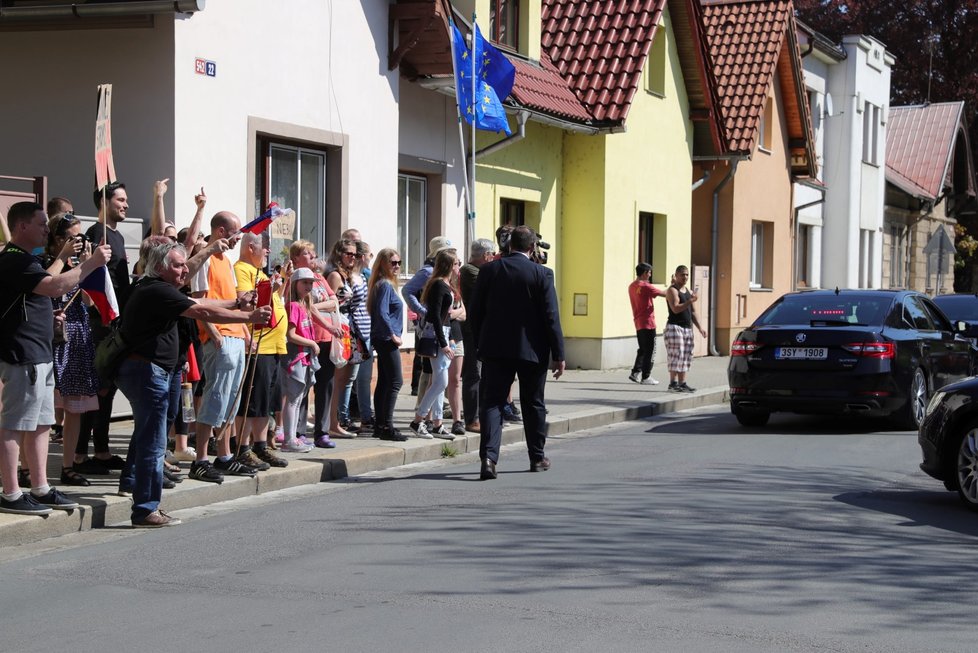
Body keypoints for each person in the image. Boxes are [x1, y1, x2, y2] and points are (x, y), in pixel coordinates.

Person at [114, 240, 270, 527]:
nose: (185, 269)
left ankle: (138, 491)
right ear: (160, 267)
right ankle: (145, 509)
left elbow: (200, 302)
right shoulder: (156, 290)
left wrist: (236, 302)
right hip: (148, 372)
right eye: (178, 264)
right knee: (154, 441)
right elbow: (204, 312)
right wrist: (248, 316)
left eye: (184, 263)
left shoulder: (157, 287)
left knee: (151, 435)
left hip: (154, 371)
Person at [0, 201, 110, 515]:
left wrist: (51, 317)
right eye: (41, 224)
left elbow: (39, 295)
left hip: (39, 352)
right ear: (22, 226)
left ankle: (40, 488)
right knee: (13, 424)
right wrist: (90, 264)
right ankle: (10, 493)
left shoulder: (27, 261)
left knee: (42, 423)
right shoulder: (14, 259)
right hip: (21, 354)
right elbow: (52, 286)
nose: (47, 230)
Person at [469, 225, 565, 480]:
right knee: (534, 403)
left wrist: (480, 343)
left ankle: (489, 459)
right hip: (532, 350)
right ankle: (536, 457)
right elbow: (551, 316)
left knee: (492, 403)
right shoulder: (542, 273)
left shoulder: (489, 270)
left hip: (495, 348)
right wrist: (559, 353)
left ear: (510, 245)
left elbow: (475, 312)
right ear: (532, 247)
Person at [189, 211, 253, 483]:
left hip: (235, 334)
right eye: (235, 232)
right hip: (219, 337)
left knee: (231, 399)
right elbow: (198, 299)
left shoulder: (225, 260)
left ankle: (224, 454)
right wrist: (212, 331)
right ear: (220, 231)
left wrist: (246, 324)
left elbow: (231, 298)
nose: (239, 237)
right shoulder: (205, 257)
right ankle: (200, 459)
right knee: (216, 397)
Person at [76, 181, 131, 476]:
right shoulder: (96, 234)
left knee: (106, 391)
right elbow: (90, 279)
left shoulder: (117, 235)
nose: (125, 204)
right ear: (104, 201)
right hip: (100, 325)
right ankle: (81, 455)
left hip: (115, 323)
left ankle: (102, 450)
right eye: (120, 199)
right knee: (96, 390)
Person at [44, 213, 99, 486]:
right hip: (52, 341)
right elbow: (48, 289)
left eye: (80, 238)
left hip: (76, 338)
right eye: (72, 238)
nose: (77, 243)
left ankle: (68, 466)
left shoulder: (80, 264)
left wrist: (89, 266)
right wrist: (64, 259)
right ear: (57, 238)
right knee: (43, 411)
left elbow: (90, 301)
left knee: (75, 409)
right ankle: (29, 468)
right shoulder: (46, 263)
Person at [232, 231, 289, 468]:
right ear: (250, 248)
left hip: (273, 344)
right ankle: (242, 447)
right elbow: (246, 302)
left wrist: (280, 285)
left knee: (266, 401)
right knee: (252, 400)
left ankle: (260, 445)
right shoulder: (242, 269)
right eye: (264, 247)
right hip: (258, 344)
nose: (267, 251)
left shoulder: (259, 271)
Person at [289, 239, 342, 448]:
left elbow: (334, 301)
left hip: (325, 337)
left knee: (325, 385)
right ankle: (299, 431)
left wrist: (312, 304)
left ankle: (322, 431)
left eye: (312, 254)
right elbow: (302, 305)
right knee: (302, 386)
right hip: (306, 337)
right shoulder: (294, 279)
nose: (312, 257)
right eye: (307, 254)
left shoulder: (319, 278)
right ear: (295, 258)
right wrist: (314, 306)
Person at [410, 249, 460, 440]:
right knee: (441, 381)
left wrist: (451, 339)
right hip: (437, 336)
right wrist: (444, 343)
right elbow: (436, 318)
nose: (458, 267)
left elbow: (447, 318)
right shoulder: (439, 285)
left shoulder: (447, 284)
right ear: (449, 265)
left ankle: (438, 423)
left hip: (446, 334)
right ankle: (417, 420)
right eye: (457, 263)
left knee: (441, 380)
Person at [281, 267, 332, 453]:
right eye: (305, 282)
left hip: (304, 357)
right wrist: (312, 343)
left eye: (311, 283)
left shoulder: (304, 304)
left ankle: (292, 437)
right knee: (293, 400)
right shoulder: (294, 305)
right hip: (296, 357)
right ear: (295, 284)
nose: (309, 286)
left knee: (298, 398)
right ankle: (288, 439)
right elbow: (291, 334)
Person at [402, 236, 453, 399]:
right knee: (429, 368)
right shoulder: (428, 272)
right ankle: (422, 410)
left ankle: (435, 407)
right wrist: (422, 311)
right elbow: (407, 290)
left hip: (442, 324)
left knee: (439, 369)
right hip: (430, 326)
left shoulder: (443, 273)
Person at [367, 248, 407, 441]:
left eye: (399, 262)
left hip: (383, 338)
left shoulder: (385, 284)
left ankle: (380, 425)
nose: (397, 266)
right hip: (385, 338)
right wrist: (393, 335)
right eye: (393, 262)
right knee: (396, 381)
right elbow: (382, 313)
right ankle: (387, 426)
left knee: (384, 381)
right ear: (383, 263)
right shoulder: (384, 285)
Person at [459, 238, 495, 433]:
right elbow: (490, 291)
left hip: (481, 330)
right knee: (473, 374)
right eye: (492, 255)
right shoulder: (469, 271)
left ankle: (480, 416)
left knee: (481, 375)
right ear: (485, 255)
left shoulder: (482, 272)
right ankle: (471, 418)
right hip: (471, 331)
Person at [665, 265, 706, 392]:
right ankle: (673, 383)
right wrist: (690, 301)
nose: (685, 277)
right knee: (676, 355)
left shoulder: (687, 291)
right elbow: (675, 308)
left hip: (687, 328)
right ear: (676, 275)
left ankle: (682, 383)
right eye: (682, 274)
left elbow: (693, 312)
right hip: (674, 327)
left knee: (686, 355)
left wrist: (700, 328)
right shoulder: (672, 290)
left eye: (687, 274)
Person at [628, 262, 666, 385]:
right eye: (649, 273)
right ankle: (646, 376)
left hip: (638, 321)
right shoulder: (646, 286)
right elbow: (664, 294)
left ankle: (635, 372)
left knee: (643, 349)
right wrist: (674, 286)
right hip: (648, 322)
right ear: (644, 273)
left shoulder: (632, 286)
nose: (650, 275)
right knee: (650, 350)